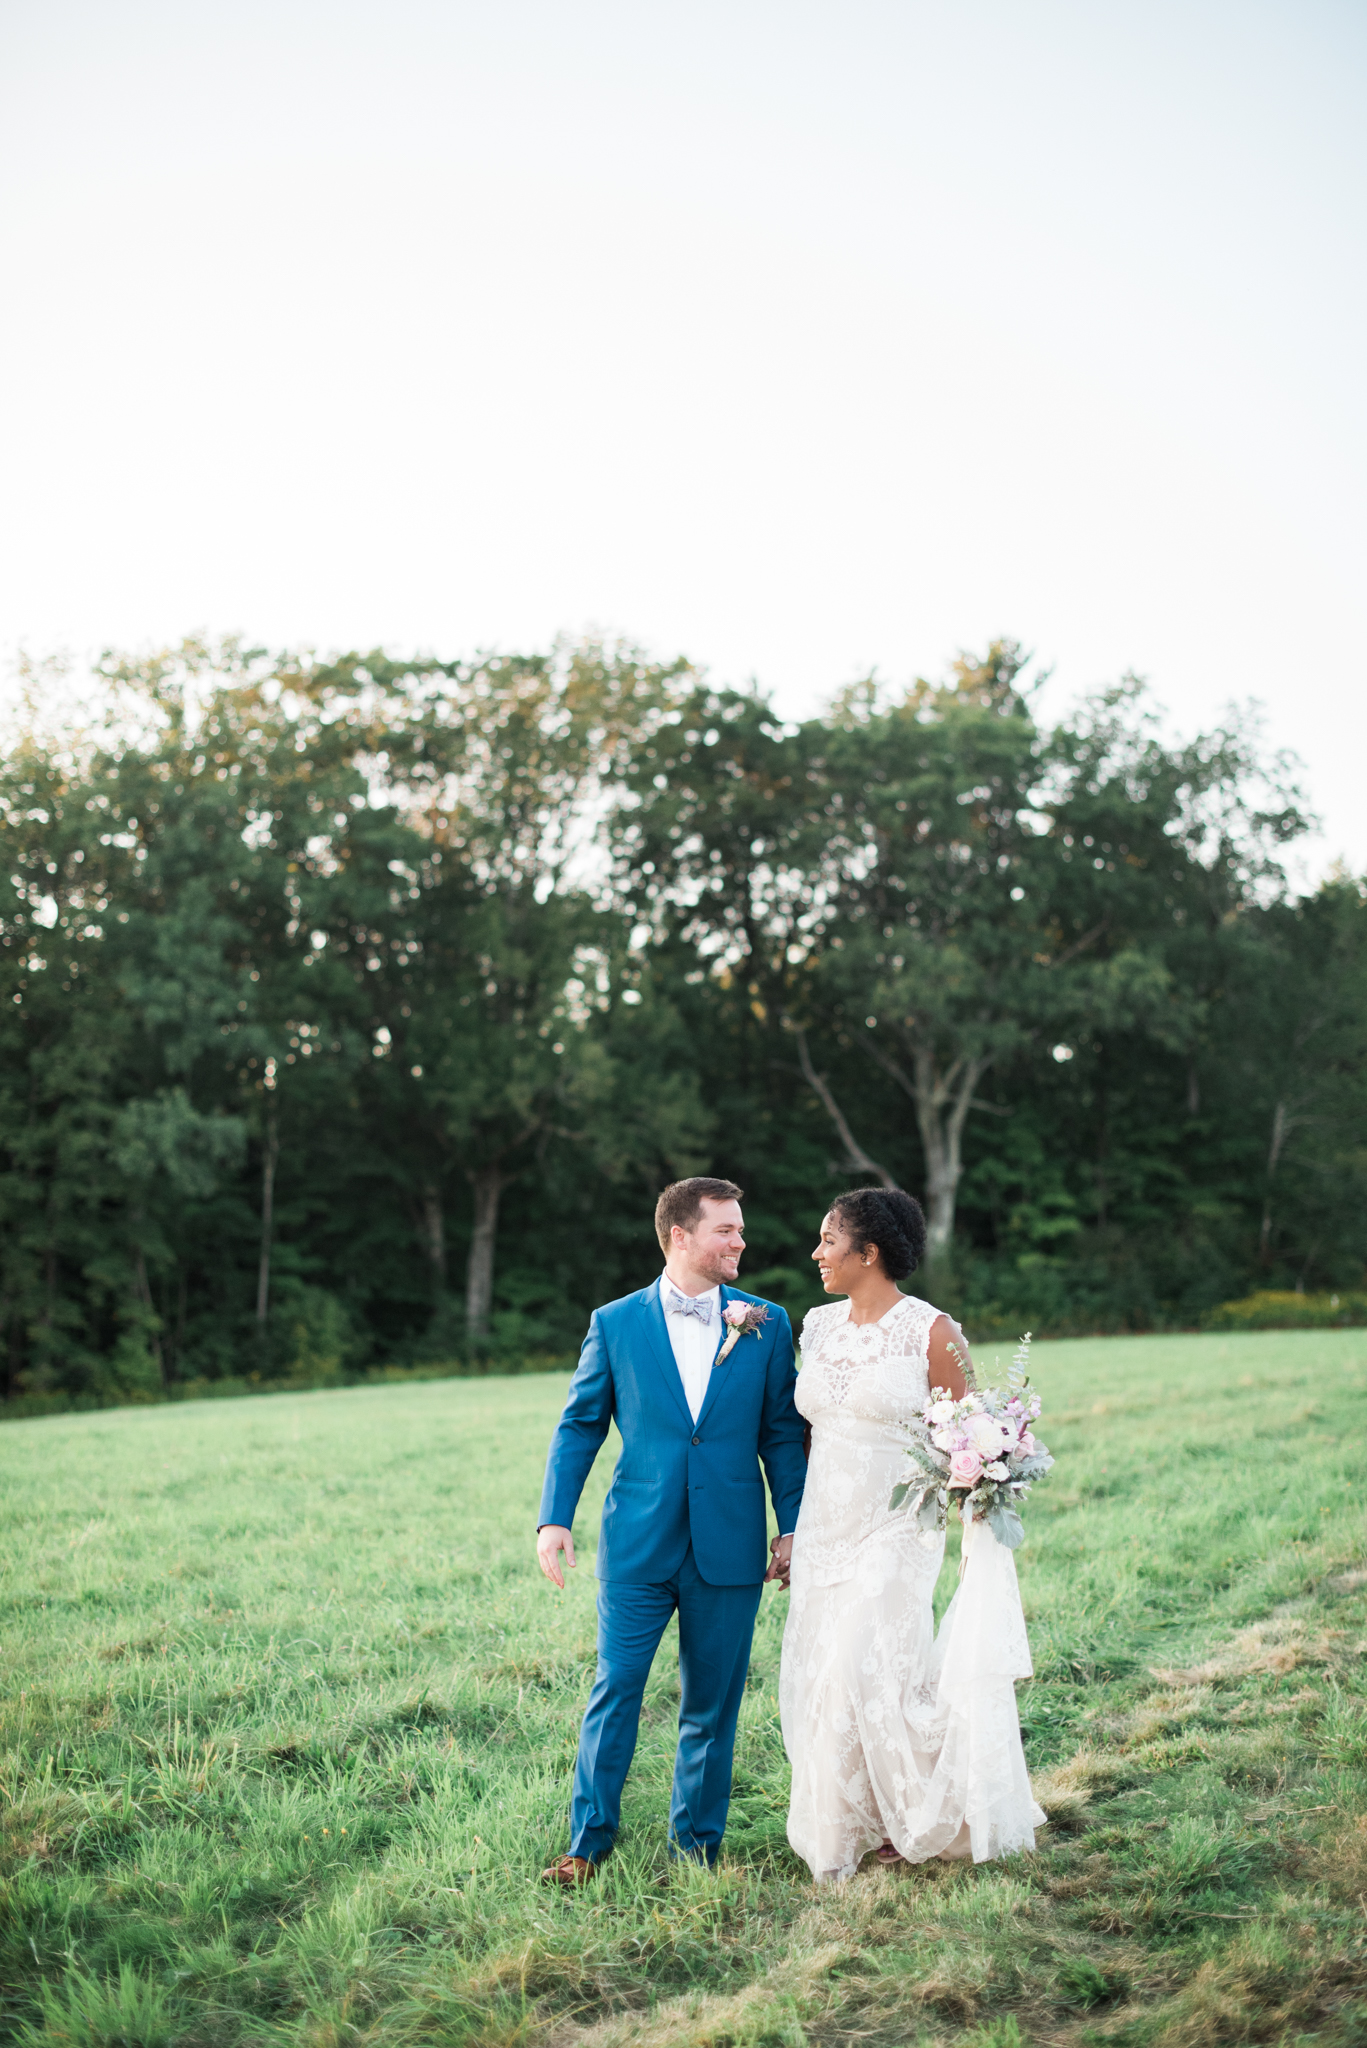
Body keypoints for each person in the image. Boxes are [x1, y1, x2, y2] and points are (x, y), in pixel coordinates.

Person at [536, 1176, 807, 1884]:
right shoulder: (615, 1321)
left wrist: (790, 1528)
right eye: (726, 1230)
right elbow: (580, 1423)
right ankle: (586, 1843)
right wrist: (553, 1518)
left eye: (739, 1229)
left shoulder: (765, 1322)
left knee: (711, 1706)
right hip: (637, 1542)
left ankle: (696, 1848)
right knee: (616, 1688)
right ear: (680, 1236)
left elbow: (782, 1434)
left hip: (730, 1542)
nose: (740, 1241)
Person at [780, 1186, 1044, 1883]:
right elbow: (804, 1432)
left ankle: (924, 1816)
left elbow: (968, 1433)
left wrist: (981, 1499)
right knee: (821, 1675)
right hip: (823, 1527)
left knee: (861, 1671)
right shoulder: (815, 1326)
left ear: (868, 1253)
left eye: (828, 1243)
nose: (816, 1254)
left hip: (899, 1526)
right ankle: (862, 1821)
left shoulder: (931, 1332)